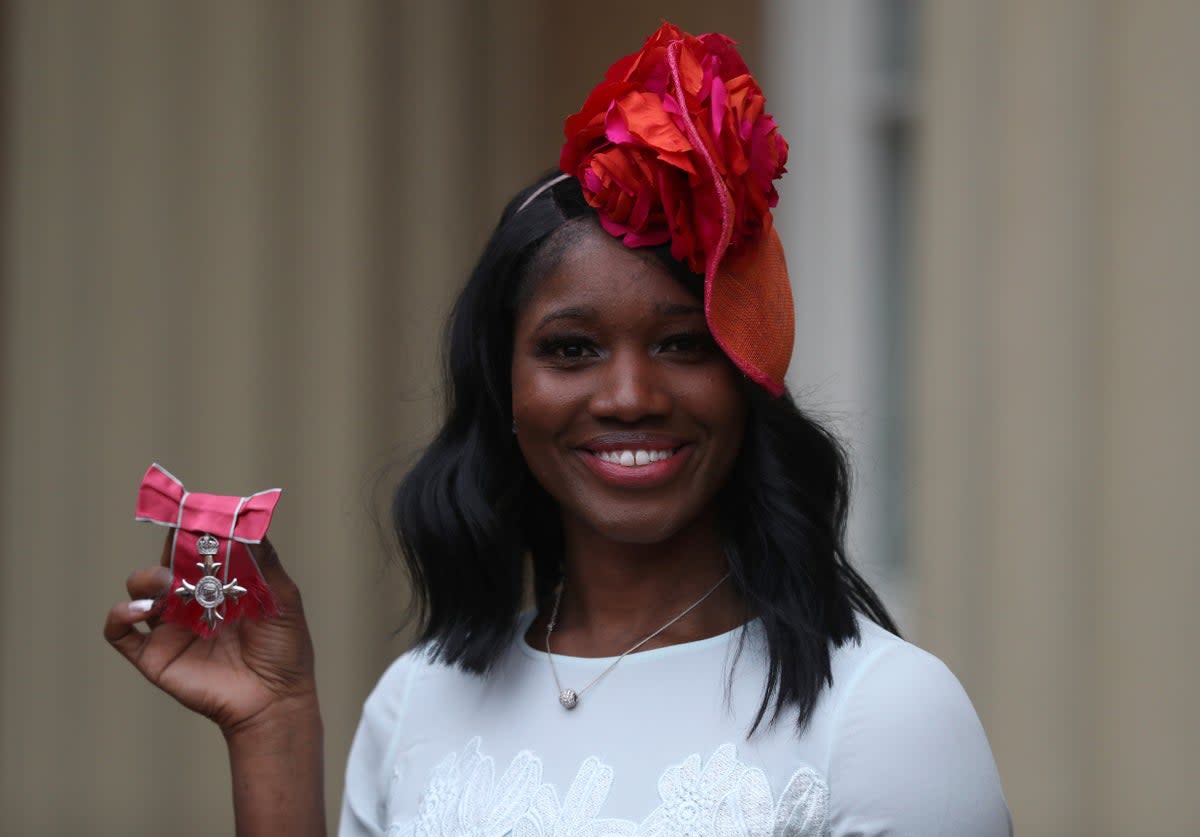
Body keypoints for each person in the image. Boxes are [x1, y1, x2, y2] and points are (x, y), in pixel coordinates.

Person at [105, 22, 1011, 837]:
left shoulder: (886, 714)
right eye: (571, 349)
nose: (627, 394)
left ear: (747, 379)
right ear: (503, 387)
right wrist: (275, 726)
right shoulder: (418, 703)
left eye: (682, 344)